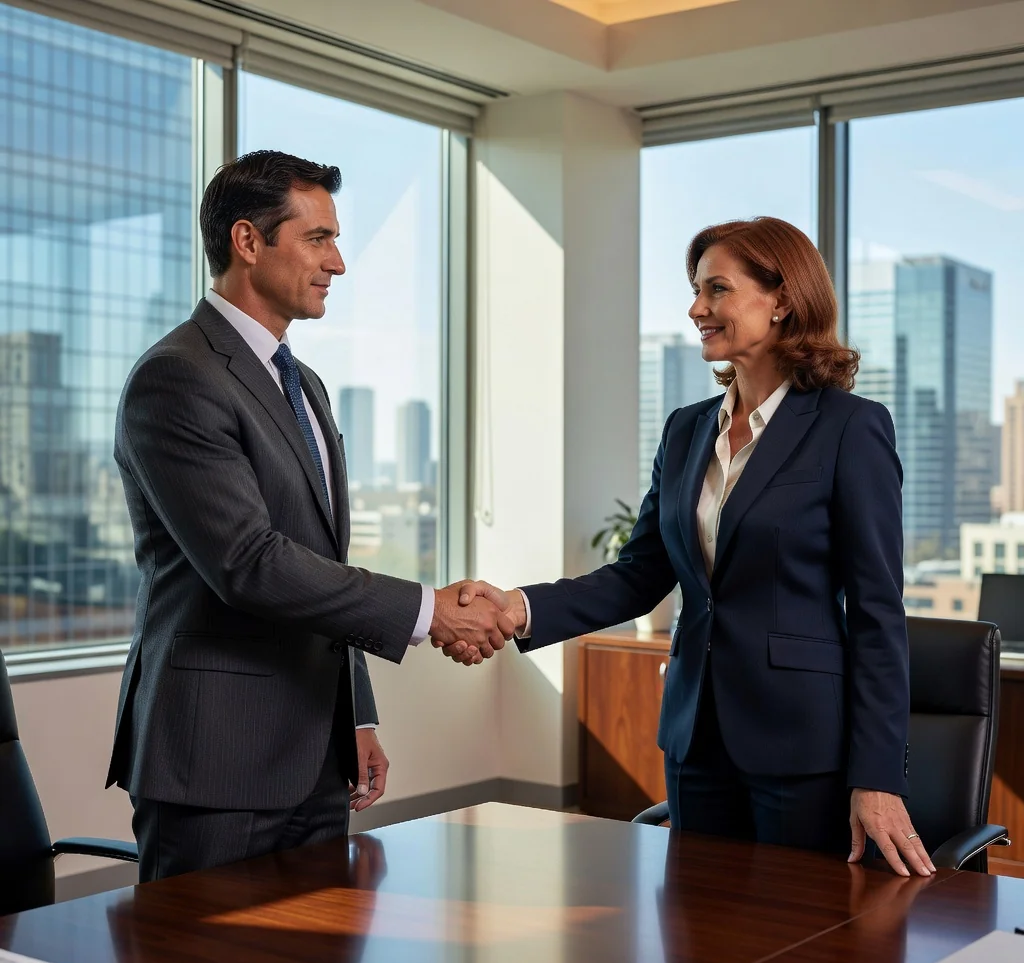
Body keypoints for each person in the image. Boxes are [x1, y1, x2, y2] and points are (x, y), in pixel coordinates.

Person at [444, 216, 934, 878]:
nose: (696, 308)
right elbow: (640, 574)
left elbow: (878, 611)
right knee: (698, 940)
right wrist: (515, 606)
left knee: (799, 953)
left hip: (803, 746)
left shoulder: (851, 428)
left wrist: (879, 774)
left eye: (717, 289)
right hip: (695, 738)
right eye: (696, 290)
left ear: (783, 300)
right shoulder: (686, 430)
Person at [107, 150, 512, 882]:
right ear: (248, 241)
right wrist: (429, 610)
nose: (340, 263)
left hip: (317, 757)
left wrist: (355, 713)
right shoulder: (177, 378)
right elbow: (250, 564)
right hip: (217, 762)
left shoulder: (306, 385)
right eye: (318, 238)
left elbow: (317, 560)